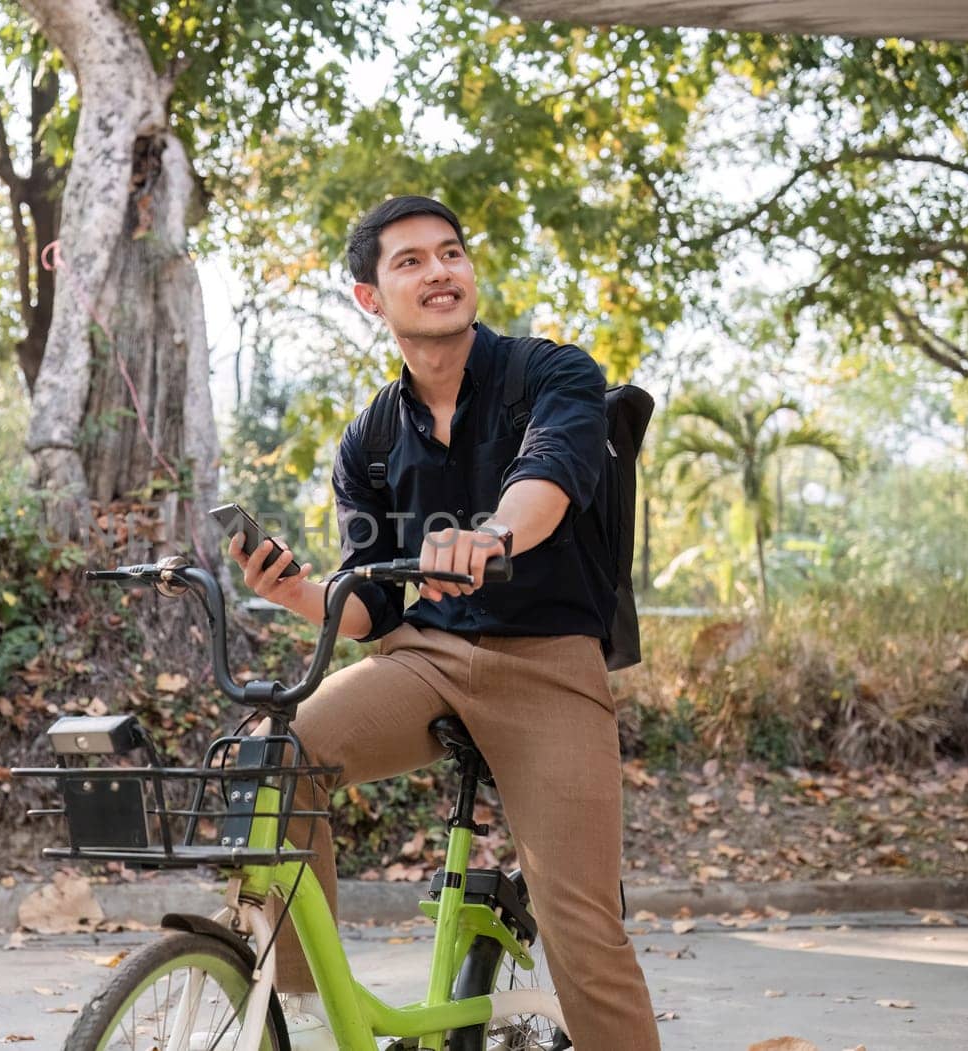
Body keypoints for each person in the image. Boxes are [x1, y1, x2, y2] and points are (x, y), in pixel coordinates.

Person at [225, 195, 660, 1049]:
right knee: (274, 753)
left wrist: (495, 531)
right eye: (411, 261)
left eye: (450, 253)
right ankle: (313, 1021)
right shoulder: (371, 440)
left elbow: (553, 475)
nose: (440, 272)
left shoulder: (552, 372)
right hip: (427, 655)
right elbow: (371, 608)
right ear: (369, 297)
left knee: (583, 928)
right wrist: (298, 592)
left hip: (548, 665)